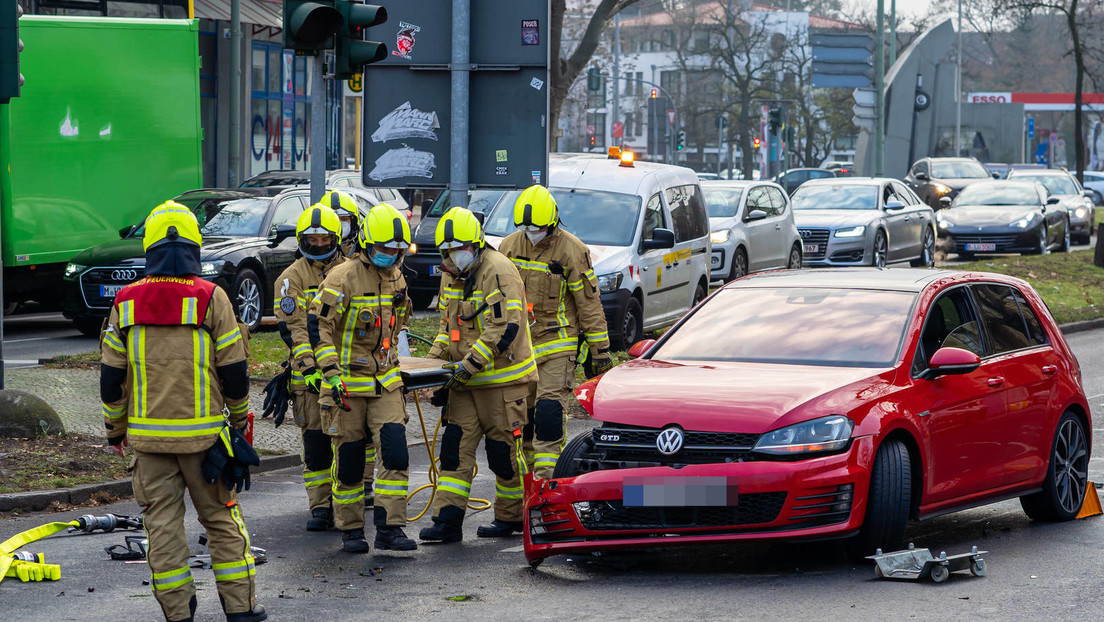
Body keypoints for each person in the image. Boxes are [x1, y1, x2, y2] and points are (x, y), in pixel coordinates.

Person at [99, 201, 266, 622]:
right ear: (195, 245)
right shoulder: (212, 297)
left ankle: (179, 615)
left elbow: (110, 379)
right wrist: (240, 422)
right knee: (223, 523)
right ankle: (241, 610)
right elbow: (234, 372)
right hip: (206, 444)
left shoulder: (127, 300)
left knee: (163, 530)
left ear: (149, 246)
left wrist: (115, 431)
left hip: (148, 446)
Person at [418, 207, 537, 544]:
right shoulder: (450, 272)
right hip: (465, 384)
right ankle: (447, 521)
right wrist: (430, 367)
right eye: (446, 252)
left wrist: (466, 367)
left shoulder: (499, 272)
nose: (451, 258)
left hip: (502, 383)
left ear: (474, 244)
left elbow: (504, 329)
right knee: (455, 450)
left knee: (504, 454)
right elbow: (447, 329)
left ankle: (511, 517)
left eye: (456, 250)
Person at [496, 185, 612, 529]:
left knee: (547, 425)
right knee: (517, 430)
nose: (532, 235)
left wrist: (600, 352)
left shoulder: (572, 251)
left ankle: (545, 509)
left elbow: (588, 305)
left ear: (553, 222)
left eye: (538, 229)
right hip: (518, 352)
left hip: (556, 347)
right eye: (527, 229)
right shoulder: (509, 246)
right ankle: (513, 511)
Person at [308, 202, 416, 553]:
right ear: (369, 244)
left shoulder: (396, 274)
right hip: (347, 387)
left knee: (396, 454)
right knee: (351, 460)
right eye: (386, 249)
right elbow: (318, 326)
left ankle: (391, 528)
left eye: (398, 250)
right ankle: (352, 529)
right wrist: (330, 373)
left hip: (385, 382)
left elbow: (399, 319)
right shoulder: (342, 277)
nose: (393, 255)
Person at [271, 203, 345, 531]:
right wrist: (309, 368)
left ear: (337, 239)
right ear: (301, 240)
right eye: (311, 239)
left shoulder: (352, 271)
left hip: (346, 372)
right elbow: (294, 330)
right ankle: (320, 506)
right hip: (309, 379)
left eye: (324, 239)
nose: (318, 245)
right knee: (316, 444)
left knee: (351, 441)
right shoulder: (291, 279)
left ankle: (351, 501)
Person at [319, 189, 362, 258]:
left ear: (353, 222)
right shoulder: (315, 251)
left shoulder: (362, 253)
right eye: (334, 219)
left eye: (344, 219)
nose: (339, 223)